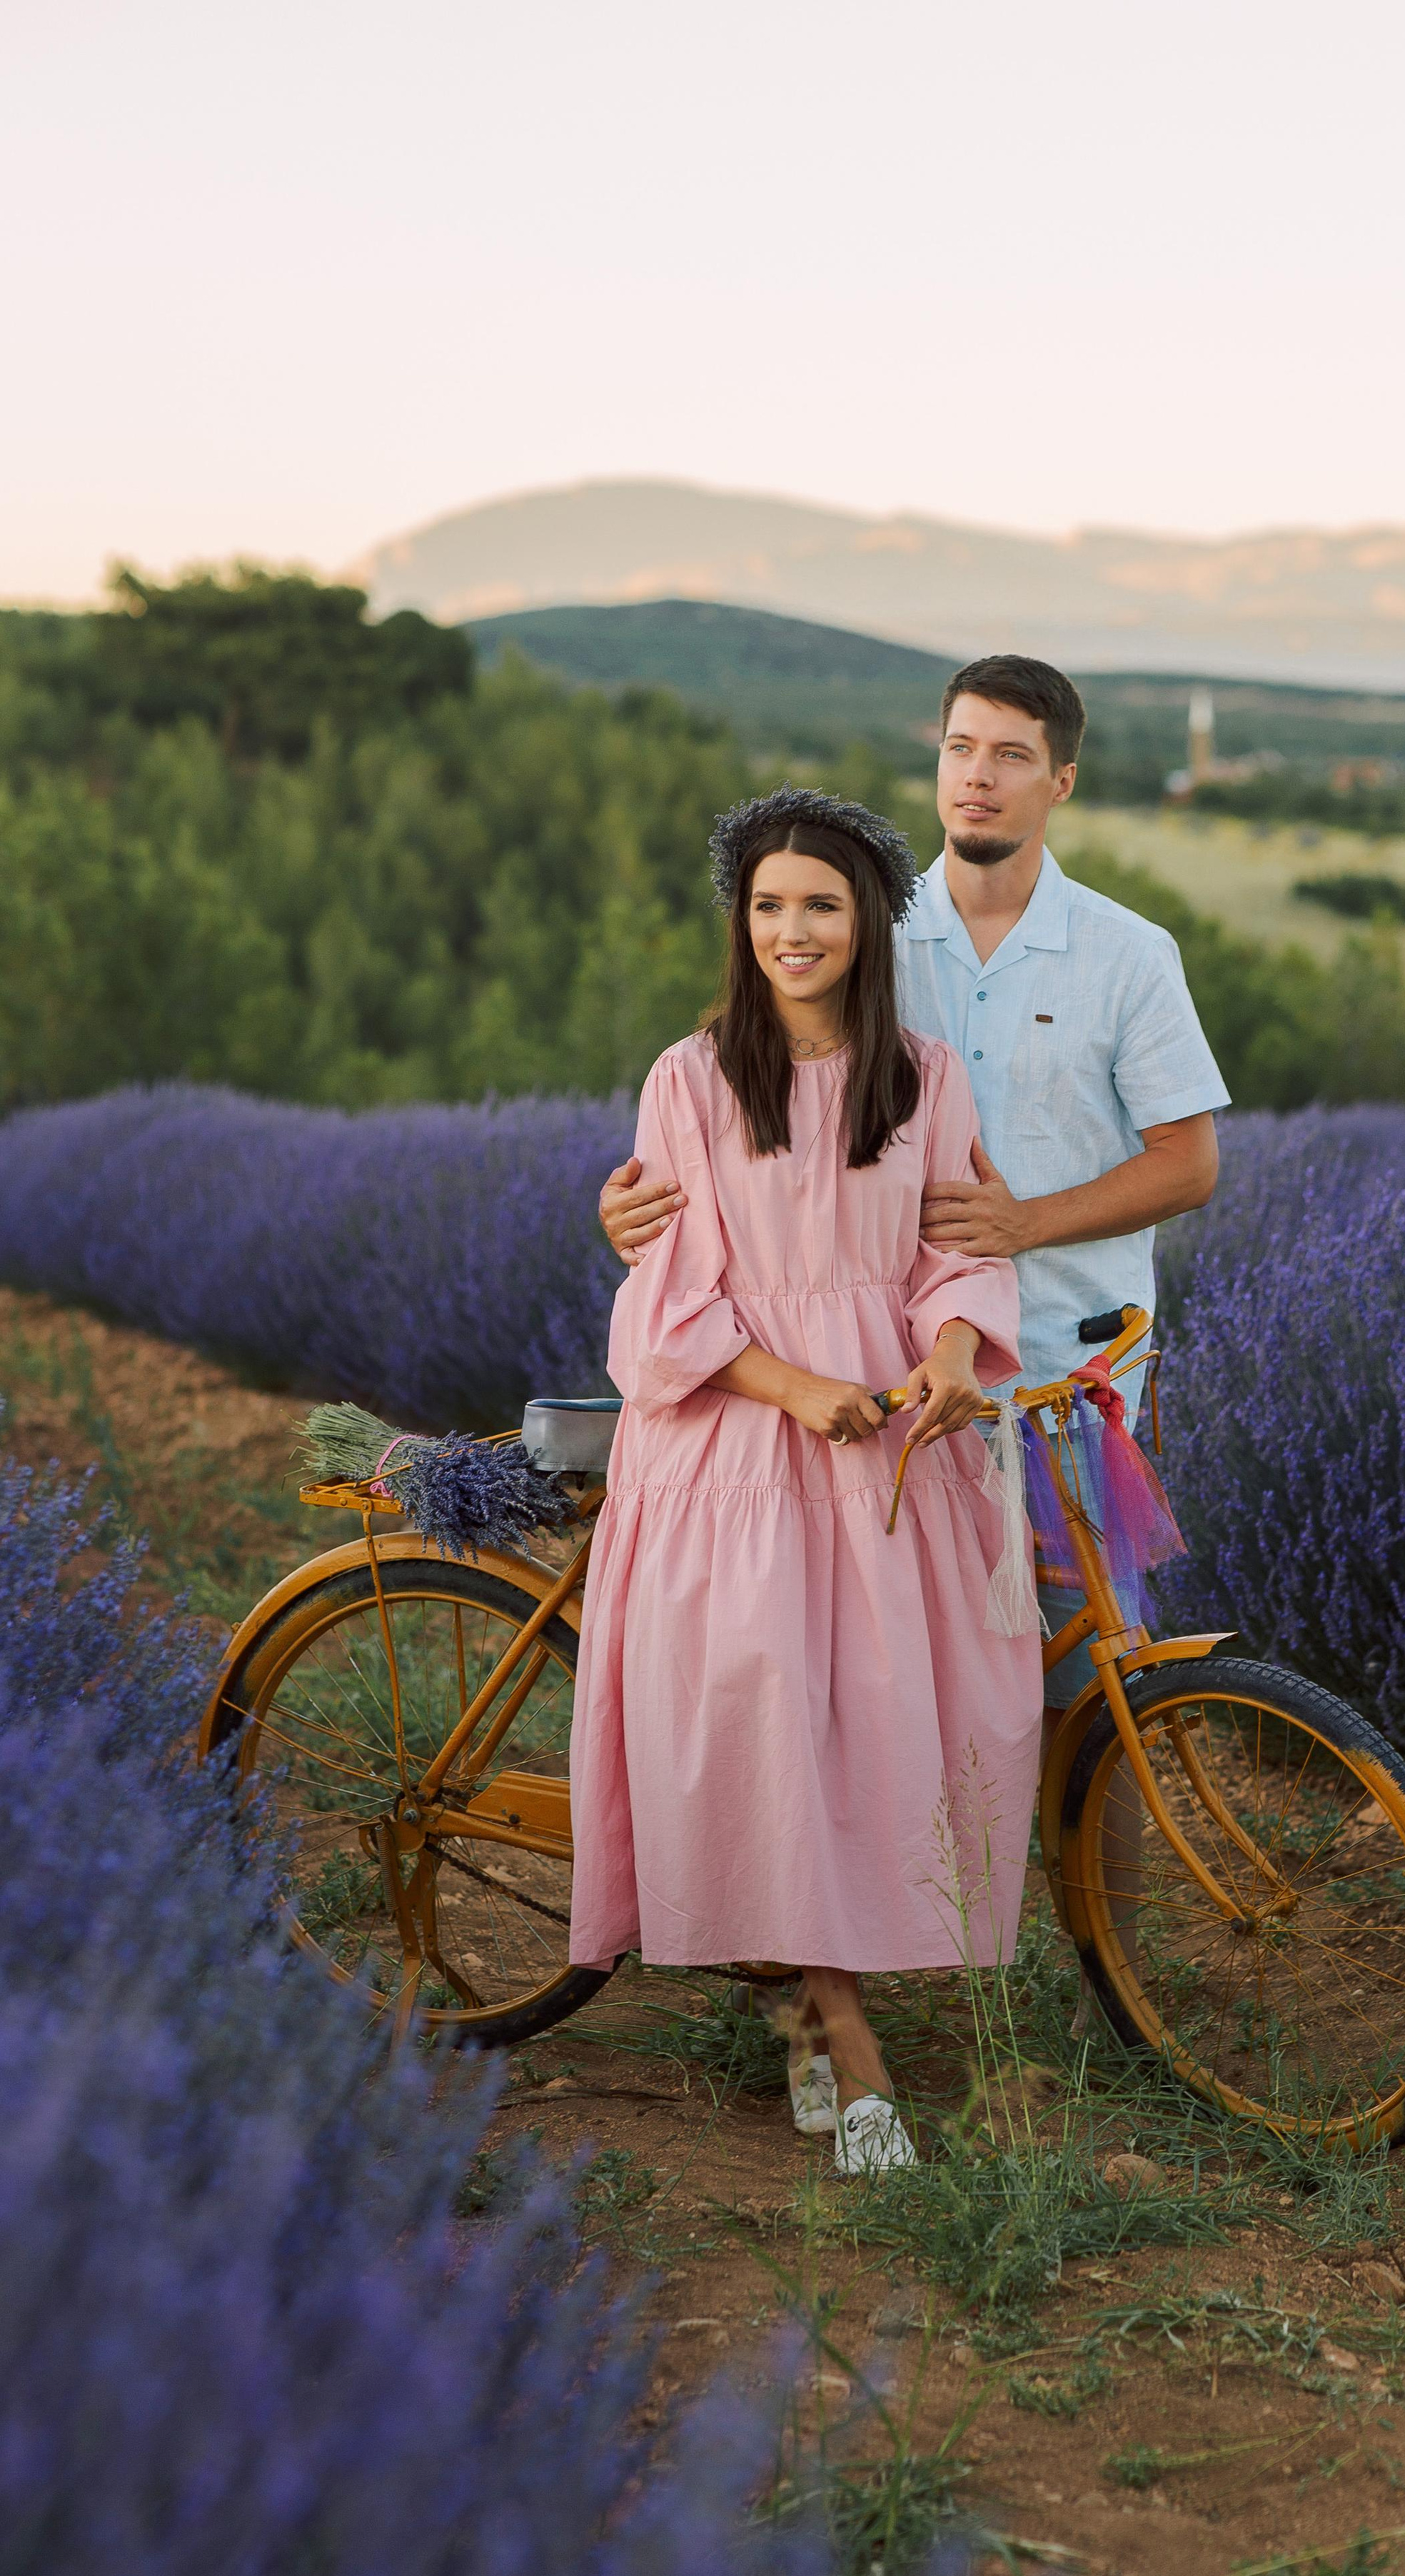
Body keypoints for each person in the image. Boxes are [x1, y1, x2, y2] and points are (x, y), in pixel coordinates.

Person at [601, 653, 1229, 1743]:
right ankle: (940, 1896)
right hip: (894, 1396)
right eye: (960, 749)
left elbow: (1190, 1163)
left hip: (1063, 1379)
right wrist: (635, 1217)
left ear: (1060, 781)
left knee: (1096, 1687)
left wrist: (1026, 1224)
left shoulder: (1129, 955)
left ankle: (1087, 1917)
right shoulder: (857, 930)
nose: (979, 777)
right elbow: (734, 1115)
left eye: (1012, 756)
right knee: (909, 1698)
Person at [568, 790, 1048, 2175]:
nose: (791, 931)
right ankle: (854, 2060)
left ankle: (794, 2013)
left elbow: (958, 1248)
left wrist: (953, 1350)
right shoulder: (692, 1080)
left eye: (819, 906)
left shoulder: (926, 1077)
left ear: (866, 924)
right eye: (768, 906)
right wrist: (800, 1390)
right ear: (741, 922)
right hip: (738, 1444)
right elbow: (669, 1303)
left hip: (892, 1444)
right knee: (767, 1730)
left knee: (877, 1730)